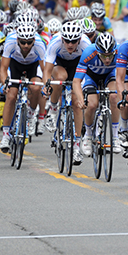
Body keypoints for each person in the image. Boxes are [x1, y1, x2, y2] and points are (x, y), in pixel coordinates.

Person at [43, 21, 92, 164]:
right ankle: (52, 109)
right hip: (59, 65)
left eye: (74, 41)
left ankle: (77, 146)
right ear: (62, 39)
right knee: (60, 77)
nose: (70, 44)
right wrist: (46, 86)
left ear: (80, 39)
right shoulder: (55, 42)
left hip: (78, 67)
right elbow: (47, 70)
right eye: (67, 41)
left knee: (77, 104)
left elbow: (90, 71)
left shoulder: (86, 45)